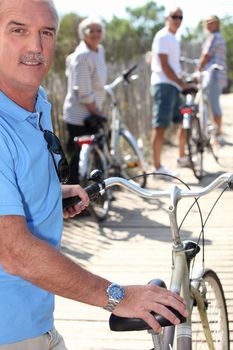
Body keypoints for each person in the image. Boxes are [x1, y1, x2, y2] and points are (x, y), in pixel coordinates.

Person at [0, 0, 188, 348]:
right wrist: (117, 297)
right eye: (18, 30)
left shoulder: (35, 101)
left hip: (38, 322)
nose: (35, 46)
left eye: (46, 32)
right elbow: (14, 251)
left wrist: (51, 196)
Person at [63, 17, 107, 184]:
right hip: (79, 116)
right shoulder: (82, 56)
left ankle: (99, 194)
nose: (95, 33)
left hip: (93, 112)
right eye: (91, 30)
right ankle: (75, 203)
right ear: (83, 34)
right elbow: (83, 92)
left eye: (98, 30)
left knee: (97, 154)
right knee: (76, 160)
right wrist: (98, 112)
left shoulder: (99, 50)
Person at [150, 6, 190, 177]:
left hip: (173, 86)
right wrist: (181, 83)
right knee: (160, 126)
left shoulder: (173, 38)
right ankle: (157, 167)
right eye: (175, 16)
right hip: (164, 85)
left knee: (185, 120)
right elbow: (164, 66)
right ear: (167, 17)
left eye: (180, 17)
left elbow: (172, 65)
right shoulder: (163, 36)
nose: (178, 20)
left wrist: (184, 80)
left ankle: (182, 157)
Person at [197, 15, 227, 145]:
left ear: (216, 24)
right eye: (206, 22)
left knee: (212, 105)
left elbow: (205, 56)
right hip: (217, 75)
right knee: (210, 104)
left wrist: (197, 70)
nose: (208, 25)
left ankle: (217, 134)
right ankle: (214, 132)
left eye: (211, 23)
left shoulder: (215, 37)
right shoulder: (216, 37)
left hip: (213, 75)